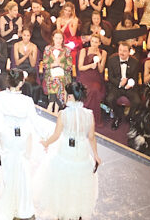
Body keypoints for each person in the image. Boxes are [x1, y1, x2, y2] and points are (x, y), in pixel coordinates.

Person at [0, 69, 40, 220]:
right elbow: (36, 123)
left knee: (7, 168)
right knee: (23, 168)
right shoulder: (27, 101)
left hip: (6, 136)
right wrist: (48, 138)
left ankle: (9, 199)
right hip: (22, 139)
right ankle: (22, 205)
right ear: (21, 83)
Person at [36, 81, 100, 220]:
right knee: (79, 184)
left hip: (66, 151)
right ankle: (76, 214)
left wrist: (46, 143)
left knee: (64, 183)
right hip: (82, 152)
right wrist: (96, 155)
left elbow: (56, 135)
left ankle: (63, 213)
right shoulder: (89, 114)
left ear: (70, 96)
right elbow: (91, 137)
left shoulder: (63, 114)